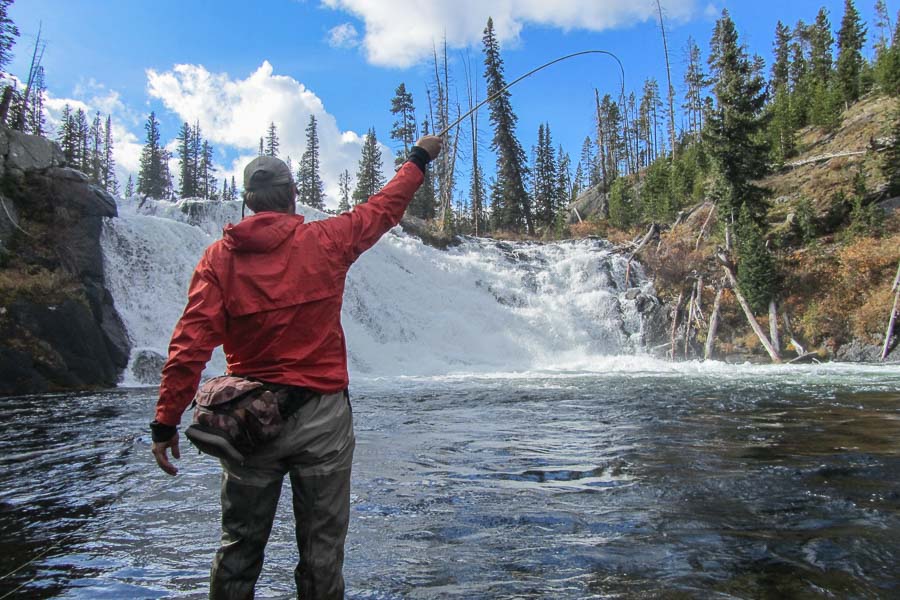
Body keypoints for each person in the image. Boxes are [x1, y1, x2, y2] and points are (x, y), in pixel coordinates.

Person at [150, 134, 443, 599]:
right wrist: (419, 158)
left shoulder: (218, 260)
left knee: (239, 548)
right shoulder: (326, 239)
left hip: (248, 420)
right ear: (291, 198)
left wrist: (164, 422)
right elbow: (384, 208)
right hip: (322, 418)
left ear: (248, 203)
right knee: (322, 552)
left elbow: (189, 347)